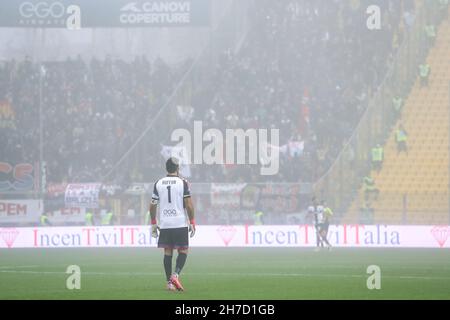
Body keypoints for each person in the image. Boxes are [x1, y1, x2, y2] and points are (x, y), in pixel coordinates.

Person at [149, 157, 196, 292]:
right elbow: (188, 205)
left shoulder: (158, 183)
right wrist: (192, 221)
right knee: (183, 250)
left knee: (167, 251)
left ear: (166, 168)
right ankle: (175, 276)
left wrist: (153, 223)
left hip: (165, 223)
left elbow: (152, 205)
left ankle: (169, 284)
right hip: (179, 221)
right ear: (177, 168)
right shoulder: (183, 183)